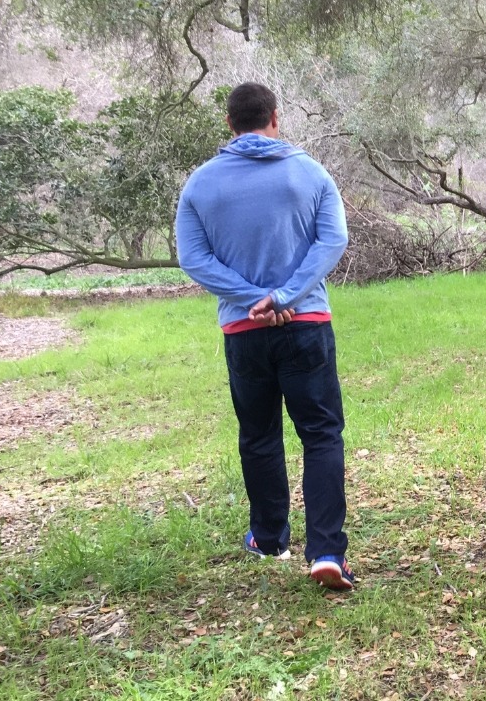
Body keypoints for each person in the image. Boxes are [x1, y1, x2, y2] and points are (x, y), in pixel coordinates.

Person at [174, 82, 355, 590]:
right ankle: (326, 552)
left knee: (258, 435)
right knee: (320, 435)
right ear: (276, 117)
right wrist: (287, 294)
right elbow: (332, 240)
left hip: (243, 330)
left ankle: (270, 538)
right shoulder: (311, 172)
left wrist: (253, 297)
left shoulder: (201, 184)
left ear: (229, 124)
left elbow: (194, 258)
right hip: (307, 325)